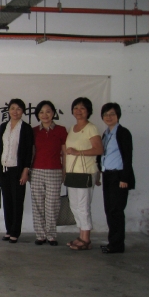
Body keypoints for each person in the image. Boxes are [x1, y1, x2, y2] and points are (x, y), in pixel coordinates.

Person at [65, 97, 103, 251]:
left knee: (83, 206)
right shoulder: (72, 128)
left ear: (88, 111)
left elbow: (99, 149)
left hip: (85, 173)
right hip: (72, 173)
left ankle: (86, 239)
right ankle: (81, 235)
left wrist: (78, 152)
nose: (78, 111)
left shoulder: (91, 128)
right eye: (76, 108)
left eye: (82, 108)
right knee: (74, 206)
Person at [96, 103, 135, 254]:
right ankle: (112, 242)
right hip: (108, 175)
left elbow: (128, 157)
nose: (108, 117)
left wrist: (124, 178)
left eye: (112, 114)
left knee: (116, 211)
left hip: (119, 176)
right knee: (109, 210)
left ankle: (117, 245)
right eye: (105, 114)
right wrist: (99, 172)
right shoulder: (106, 134)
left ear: (118, 115)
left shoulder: (123, 133)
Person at [0, 99, 34, 243]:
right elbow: (0, 148)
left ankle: (15, 232)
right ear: (8, 110)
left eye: (18, 109)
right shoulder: (3, 126)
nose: (15, 111)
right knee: (7, 201)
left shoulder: (26, 128)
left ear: (23, 111)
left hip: (18, 169)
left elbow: (29, 151)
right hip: (4, 168)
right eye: (12, 108)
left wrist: (25, 170)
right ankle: (8, 230)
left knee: (17, 201)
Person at [30, 100, 67, 246]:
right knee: (37, 204)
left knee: (52, 204)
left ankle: (51, 235)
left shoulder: (61, 130)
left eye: (48, 111)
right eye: (41, 112)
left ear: (53, 113)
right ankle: (40, 235)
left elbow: (65, 153)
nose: (45, 115)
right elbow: (31, 153)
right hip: (36, 171)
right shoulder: (33, 131)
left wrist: (64, 171)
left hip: (55, 171)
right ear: (37, 114)